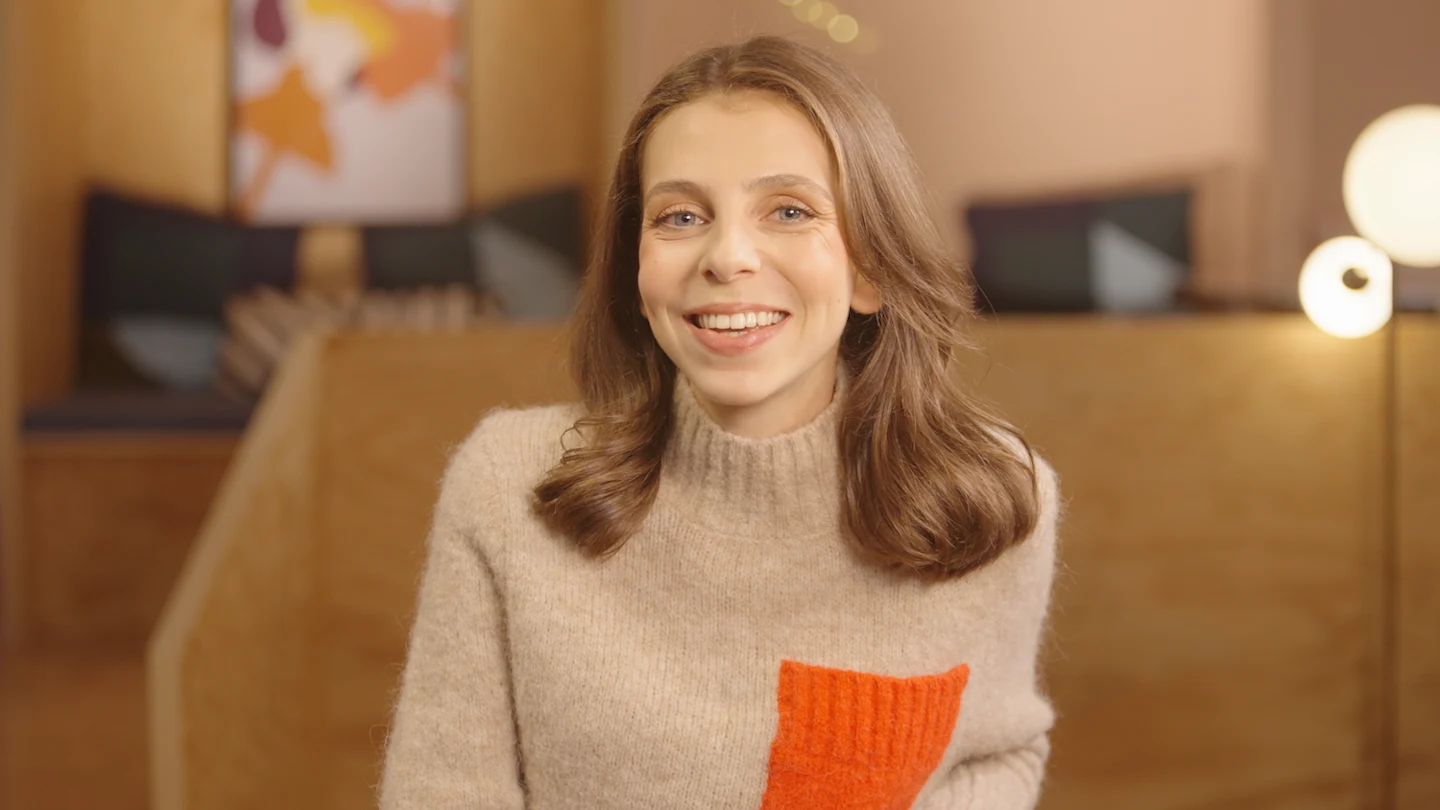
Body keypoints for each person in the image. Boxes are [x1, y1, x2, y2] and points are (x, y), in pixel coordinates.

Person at [379, 34, 1061, 810]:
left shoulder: (998, 499)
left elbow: (996, 754)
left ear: (870, 267)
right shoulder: (507, 486)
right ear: (637, 273)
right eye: (679, 217)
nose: (727, 255)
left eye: (790, 210)